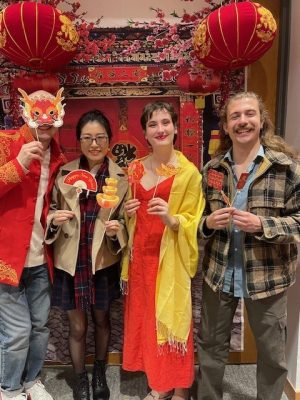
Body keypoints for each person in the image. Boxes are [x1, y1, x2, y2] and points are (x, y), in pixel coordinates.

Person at [197, 91, 300, 400]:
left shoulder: (285, 168)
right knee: (211, 349)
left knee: (271, 355)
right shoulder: (213, 170)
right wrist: (207, 224)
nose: (243, 121)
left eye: (249, 114)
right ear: (226, 126)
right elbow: (197, 220)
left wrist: (263, 225)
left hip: (267, 278)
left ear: (261, 119)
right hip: (219, 275)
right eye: (235, 116)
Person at [121, 101, 205, 400]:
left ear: (176, 128)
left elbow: (195, 221)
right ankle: (159, 384)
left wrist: (171, 219)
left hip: (169, 259)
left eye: (166, 122)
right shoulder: (134, 168)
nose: (160, 128)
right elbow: (127, 217)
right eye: (153, 124)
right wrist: (129, 213)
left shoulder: (188, 173)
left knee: (172, 321)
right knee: (148, 323)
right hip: (141, 259)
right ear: (144, 132)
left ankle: (180, 389)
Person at [45, 109, 128, 400]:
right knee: (77, 325)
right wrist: (54, 219)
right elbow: (49, 211)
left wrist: (119, 230)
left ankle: (100, 373)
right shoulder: (65, 173)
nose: (94, 144)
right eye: (88, 138)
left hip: (102, 260)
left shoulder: (121, 177)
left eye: (100, 138)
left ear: (109, 140)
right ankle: (80, 377)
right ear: (78, 140)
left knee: (102, 319)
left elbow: (129, 224)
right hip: (71, 260)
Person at [0, 88, 66, 400]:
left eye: (50, 114)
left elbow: (43, 204)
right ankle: (9, 389)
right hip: (7, 258)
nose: (44, 121)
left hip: (41, 257)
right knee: (17, 333)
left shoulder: (60, 155)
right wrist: (18, 164)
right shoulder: (6, 143)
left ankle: (31, 381)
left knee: (40, 328)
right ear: (26, 111)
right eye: (37, 113)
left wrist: (53, 217)